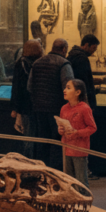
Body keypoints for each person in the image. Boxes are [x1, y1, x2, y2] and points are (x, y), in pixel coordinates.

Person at [28, 38, 73, 169]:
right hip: (57, 108)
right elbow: (69, 87)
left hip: (38, 108)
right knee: (57, 142)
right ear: (64, 49)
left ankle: (42, 169)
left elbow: (30, 86)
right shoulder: (64, 64)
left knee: (42, 140)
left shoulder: (37, 63)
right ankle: (55, 171)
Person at [59, 78, 97, 187]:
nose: (64, 90)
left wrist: (77, 133)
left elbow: (92, 128)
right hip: (66, 148)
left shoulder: (85, 108)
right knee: (68, 180)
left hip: (79, 149)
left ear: (78, 92)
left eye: (68, 88)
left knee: (81, 180)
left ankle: (84, 201)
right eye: (65, 87)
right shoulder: (64, 108)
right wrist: (61, 130)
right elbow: (61, 127)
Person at [10, 39, 42, 156]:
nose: (42, 49)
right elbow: (18, 86)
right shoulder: (23, 63)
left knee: (31, 135)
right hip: (28, 105)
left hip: (29, 105)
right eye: (40, 47)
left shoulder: (27, 62)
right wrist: (15, 107)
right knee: (29, 136)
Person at [66, 35, 99, 109]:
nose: (93, 52)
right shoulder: (82, 58)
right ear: (87, 45)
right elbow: (83, 81)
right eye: (93, 48)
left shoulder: (72, 55)